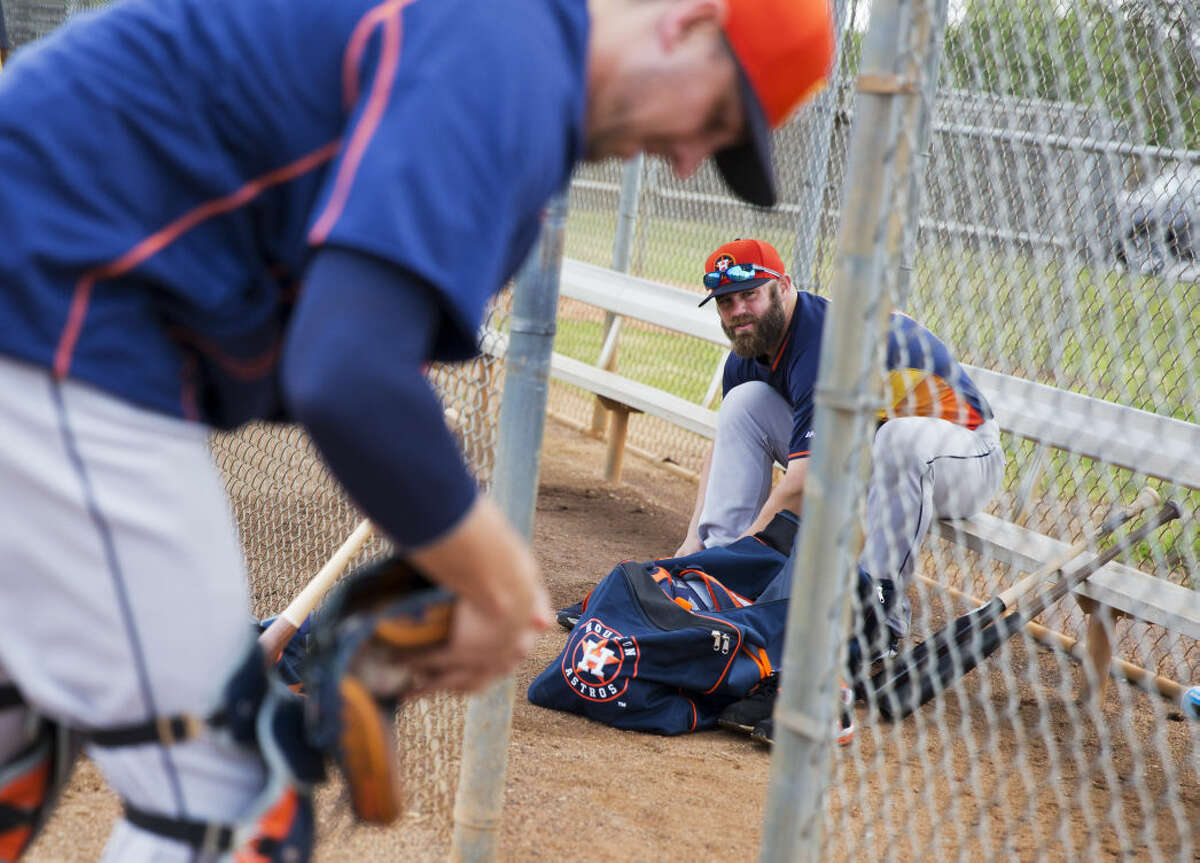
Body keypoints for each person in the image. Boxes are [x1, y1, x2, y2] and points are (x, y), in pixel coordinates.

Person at [0, 0, 834, 858]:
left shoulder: (518, 74)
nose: (691, 158)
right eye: (717, 116)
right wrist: (491, 568)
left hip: (59, 308)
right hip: (58, 311)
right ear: (687, 23)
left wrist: (429, 522)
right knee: (236, 794)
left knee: (28, 713)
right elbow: (345, 371)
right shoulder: (512, 58)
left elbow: (333, 356)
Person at [678, 238, 1005, 740]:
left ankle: (878, 622)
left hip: (963, 451)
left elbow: (801, 483)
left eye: (750, 295)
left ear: (784, 288)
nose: (737, 311)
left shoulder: (821, 342)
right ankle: (717, 580)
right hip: (873, 452)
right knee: (743, 404)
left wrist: (751, 559)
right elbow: (722, 448)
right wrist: (695, 549)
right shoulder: (748, 350)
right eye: (726, 301)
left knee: (901, 439)